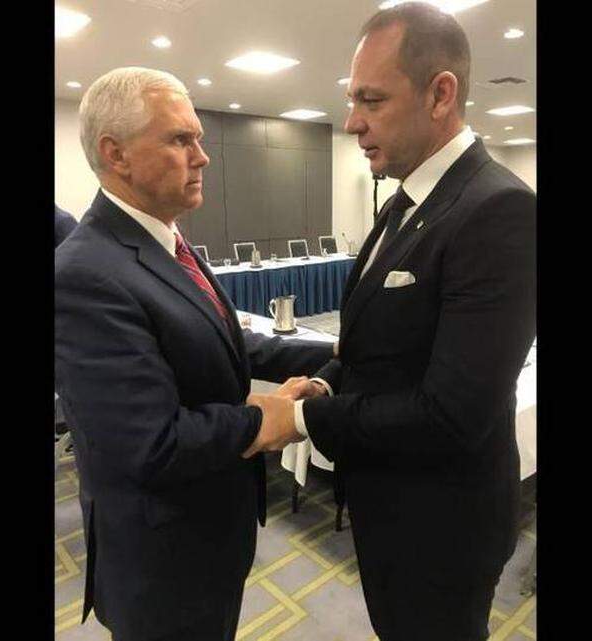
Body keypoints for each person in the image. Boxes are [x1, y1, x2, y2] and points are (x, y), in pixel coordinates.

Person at [245, 3, 537, 639]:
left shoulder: (500, 210)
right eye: (353, 100)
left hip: (441, 527)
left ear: (441, 94)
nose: (351, 122)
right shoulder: (404, 197)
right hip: (390, 506)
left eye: (372, 101)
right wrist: (322, 382)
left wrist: (296, 416)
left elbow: (452, 413)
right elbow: (373, 344)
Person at [54, 67, 333, 641]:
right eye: (181, 139)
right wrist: (265, 419)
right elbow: (148, 445)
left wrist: (333, 346)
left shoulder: (167, 239)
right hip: (163, 558)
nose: (202, 156)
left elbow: (230, 342)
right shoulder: (84, 273)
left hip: (211, 531)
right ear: (117, 154)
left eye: (199, 138)